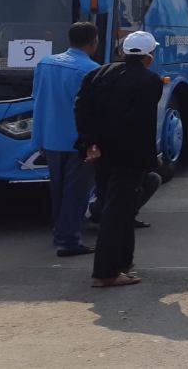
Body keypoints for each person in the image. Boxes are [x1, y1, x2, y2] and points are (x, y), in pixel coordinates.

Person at [75, 31, 164, 288]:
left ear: (124, 52)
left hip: (100, 152)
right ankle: (105, 272)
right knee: (116, 212)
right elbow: (141, 123)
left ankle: (124, 263)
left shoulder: (98, 73)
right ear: (148, 56)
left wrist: (89, 143)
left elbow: (82, 108)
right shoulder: (150, 81)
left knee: (119, 209)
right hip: (129, 155)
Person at [31, 22, 102, 257]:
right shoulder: (92, 70)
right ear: (93, 42)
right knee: (77, 192)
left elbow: (38, 100)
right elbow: (92, 112)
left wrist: (38, 137)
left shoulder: (45, 63)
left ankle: (59, 231)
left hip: (50, 138)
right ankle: (68, 240)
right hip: (77, 142)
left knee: (58, 190)